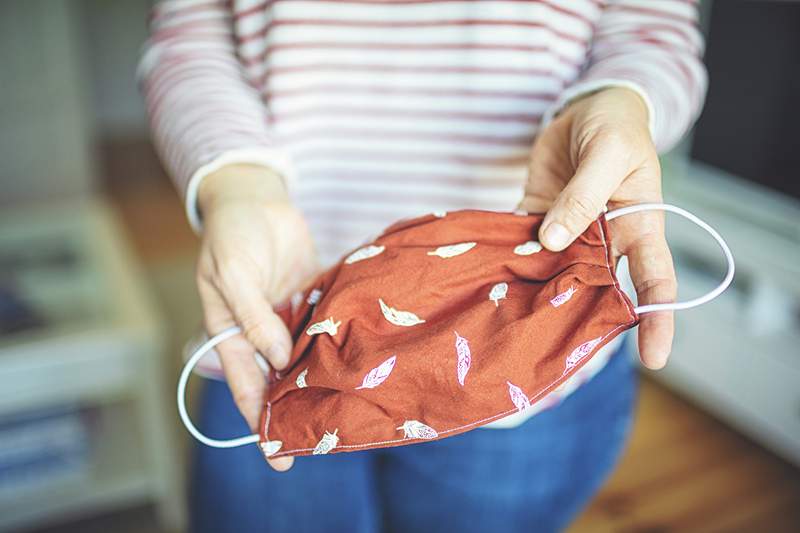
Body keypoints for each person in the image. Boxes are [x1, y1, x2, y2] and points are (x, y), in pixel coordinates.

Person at [139, 1, 706, 531]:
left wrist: (621, 101)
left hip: (525, 345)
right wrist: (235, 185)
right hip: (274, 322)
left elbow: (650, 30)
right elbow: (190, 40)